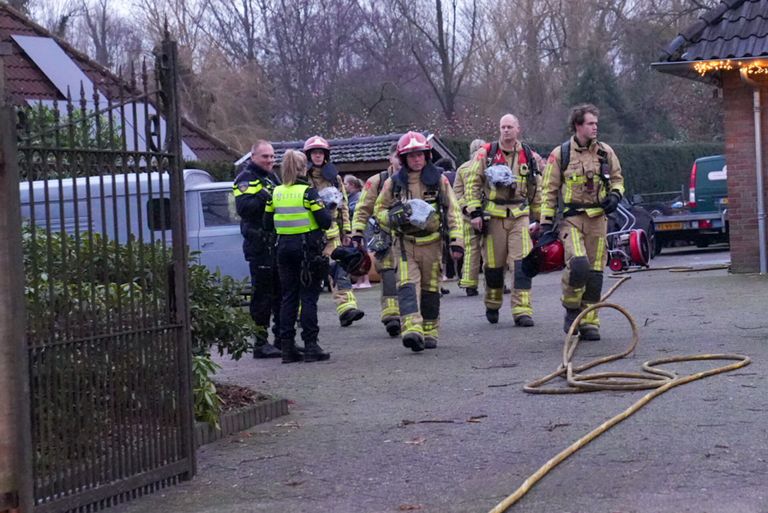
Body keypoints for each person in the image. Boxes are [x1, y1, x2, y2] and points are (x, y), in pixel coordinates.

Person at [540, 104, 624, 341]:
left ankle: (589, 321)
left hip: (598, 220)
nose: (595, 127)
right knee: (578, 265)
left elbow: (617, 179)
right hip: (572, 220)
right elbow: (548, 190)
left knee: (596, 274)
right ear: (578, 125)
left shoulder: (606, 152)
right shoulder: (561, 154)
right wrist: (546, 224)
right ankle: (571, 308)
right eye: (590, 123)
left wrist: (615, 196)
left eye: (596, 123)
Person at [374, 131, 464, 351]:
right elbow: (379, 210)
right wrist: (392, 218)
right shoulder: (394, 183)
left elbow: (453, 211)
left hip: (432, 243)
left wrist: (457, 241)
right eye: (411, 155)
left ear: (427, 156)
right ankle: (412, 330)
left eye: (420, 155)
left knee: (430, 288)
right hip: (405, 244)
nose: (416, 159)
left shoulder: (440, 181)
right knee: (407, 285)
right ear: (404, 158)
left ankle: (430, 330)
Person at [465, 114, 542, 327]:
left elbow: (537, 186)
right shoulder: (486, 153)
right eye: (503, 127)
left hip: (520, 215)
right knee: (493, 266)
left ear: (518, 129)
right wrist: (474, 212)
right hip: (494, 216)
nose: (506, 130)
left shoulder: (528, 155)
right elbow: (472, 183)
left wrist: (542, 217)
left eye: (509, 127)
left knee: (521, 264)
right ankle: (492, 302)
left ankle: (522, 310)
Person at [264, 150, 334, 363]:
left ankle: (287, 347)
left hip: (283, 248)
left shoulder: (274, 193)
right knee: (309, 297)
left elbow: (267, 224)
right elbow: (325, 222)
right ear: (304, 168)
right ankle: (311, 345)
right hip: (307, 249)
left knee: (288, 297)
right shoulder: (308, 193)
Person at [304, 136, 365, 327]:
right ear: (308, 155)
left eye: (321, 152)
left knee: (339, 270)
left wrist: (347, 230)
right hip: (308, 235)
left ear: (326, 155)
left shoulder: (335, 179)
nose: (318, 156)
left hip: (332, 236)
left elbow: (344, 206)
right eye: (314, 153)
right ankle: (300, 313)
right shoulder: (303, 177)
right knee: (305, 273)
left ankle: (346, 309)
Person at [233, 140, 282, 358]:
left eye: (272, 156)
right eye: (265, 157)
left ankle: (281, 338)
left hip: (275, 242)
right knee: (262, 295)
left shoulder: (271, 177)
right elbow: (243, 209)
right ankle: (260, 343)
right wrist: (264, 199)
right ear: (253, 157)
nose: (270, 160)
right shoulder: (245, 179)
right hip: (258, 243)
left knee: (279, 292)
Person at [351, 142, 401, 337]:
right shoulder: (376, 181)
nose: (401, 160)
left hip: (410, 236)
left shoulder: (415, 179)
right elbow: (362, 209)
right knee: (388, 273)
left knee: (409, 278)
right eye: (397, 156)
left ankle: (412, 316)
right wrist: (356, 232)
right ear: (390, 158)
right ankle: (391, 316)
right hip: (384, 235)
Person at [452, 139, 486, 296]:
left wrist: (465, 208)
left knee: (472, 249)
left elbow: (457, 193)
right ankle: (494, 282)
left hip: (468, 214)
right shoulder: (489, 166)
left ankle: (470, 283)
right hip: (487, 212)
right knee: (490, 250)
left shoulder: (462, 168)